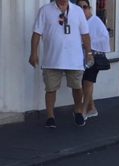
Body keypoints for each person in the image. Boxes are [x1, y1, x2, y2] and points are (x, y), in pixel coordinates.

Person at [29, 0, 93, 128]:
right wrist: (33, 53)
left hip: (74, 58)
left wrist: (89, 53)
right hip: (52, 58)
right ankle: (50, 117)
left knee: (77, 87)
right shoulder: (45, 10)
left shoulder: (77, 11)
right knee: (51, 89)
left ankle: (78, 112)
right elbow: (36, 33)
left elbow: (85, 35)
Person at [77, 0, 110, 121]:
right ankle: (92, 108)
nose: (82, 10)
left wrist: (88, 42)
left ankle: (84, 110)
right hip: (81, 58)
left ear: (89, 8)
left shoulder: (95, 21)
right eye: (79, 7)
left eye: (84, 7)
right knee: (83, 83)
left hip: (94, 57)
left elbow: (104, 37)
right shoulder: (79, 22)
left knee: (88, 82)